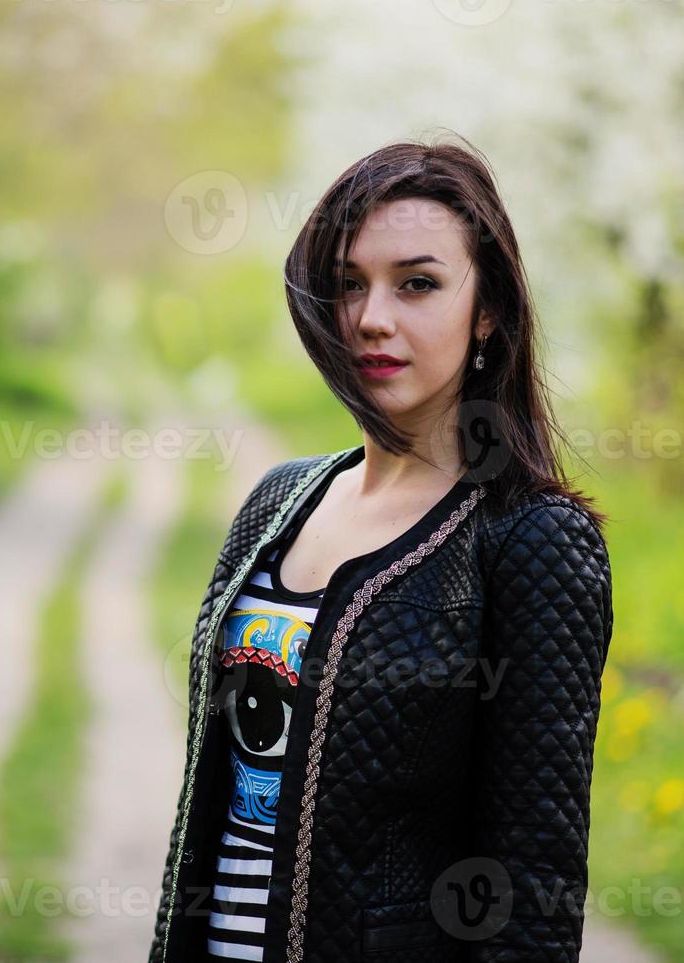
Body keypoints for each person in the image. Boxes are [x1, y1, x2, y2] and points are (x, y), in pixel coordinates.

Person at [147, 134, 614, 963]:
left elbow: (532, 890)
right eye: (349, 285)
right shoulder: (276, 503)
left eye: (419, 284)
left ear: (491, 310)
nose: (372, 318)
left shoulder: (531, 540)